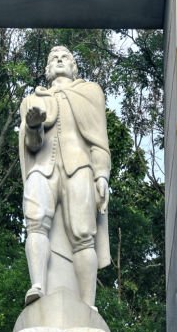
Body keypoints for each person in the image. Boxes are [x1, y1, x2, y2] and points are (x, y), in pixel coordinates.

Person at [19, 45, 111, 308]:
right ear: (47, 70)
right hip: (43, 167)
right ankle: (37, 285)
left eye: (65, 57)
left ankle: (87, 303)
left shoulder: (91, 93)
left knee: (83, 234)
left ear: (74, 67)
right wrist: (34, 125)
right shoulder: (32, 100)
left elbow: (99, 140)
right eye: (54, 58)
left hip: (79, 167)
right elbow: (32, 146)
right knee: (35, 222)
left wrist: (101, 174)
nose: (59, 60)